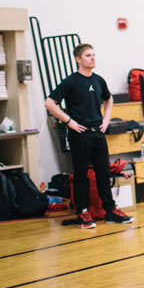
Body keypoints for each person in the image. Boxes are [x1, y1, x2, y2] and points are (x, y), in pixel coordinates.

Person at [45, 44, 133, 229]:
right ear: (78, 59)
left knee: (103, 174)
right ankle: (83, 212)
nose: (92, 58)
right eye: (87, 55)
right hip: (80, 135)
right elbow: (50, 103)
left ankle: (110, 210)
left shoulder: (99, 80)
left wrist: (106, 119)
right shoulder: (71, 81)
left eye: (93, 55)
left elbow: (109, 99)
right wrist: (69, 121)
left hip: (98, 134)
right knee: (81, 175)